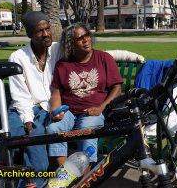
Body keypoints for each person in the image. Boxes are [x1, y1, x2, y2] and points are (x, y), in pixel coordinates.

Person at [46, 22, 123, 168]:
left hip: (94, 111)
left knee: (85, 130)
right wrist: (56, 111)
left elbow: (117, 88)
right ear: (70, 43)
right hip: (69, 111)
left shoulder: (104, 58)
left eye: (87, 35)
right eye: (80, 38)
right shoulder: (63, 64)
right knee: (53, 128)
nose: (86, 40)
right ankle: (66, 174)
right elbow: (56, 92)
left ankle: (84, 177)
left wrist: (101, 107)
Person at [8, 11, 61, 188]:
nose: (46, 34)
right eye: (40, 30)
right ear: (30, 34)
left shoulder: (57, 49)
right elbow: (20, 95)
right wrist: (27, 119)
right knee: (16, 139)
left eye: (47, 29)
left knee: (34, 140)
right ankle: (14, 179)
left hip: (49, 108)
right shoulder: (18, 57)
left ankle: (30, 183)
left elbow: (90, 52)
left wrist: (131, 57)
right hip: (25, 107)